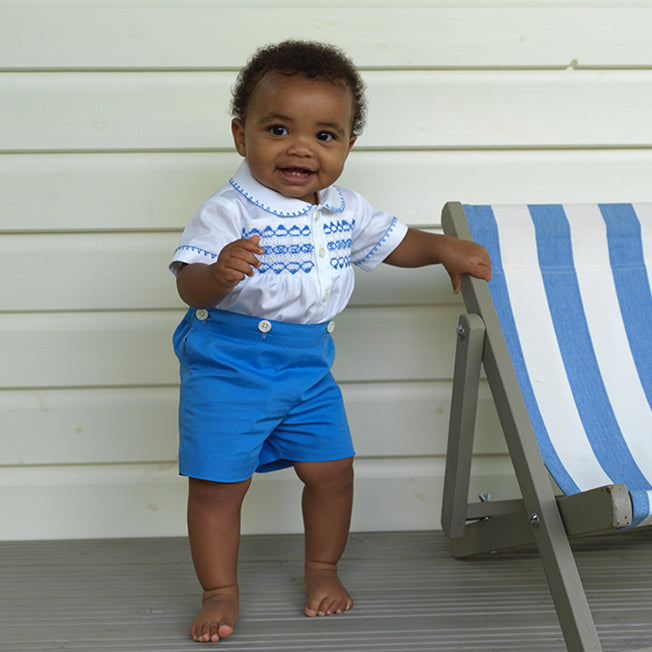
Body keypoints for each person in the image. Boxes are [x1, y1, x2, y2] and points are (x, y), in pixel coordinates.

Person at [169, 40, 491, 644]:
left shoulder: (344, 208)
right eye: (279, 128)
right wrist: (216, 275)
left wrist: (441, 249)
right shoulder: (228, 211)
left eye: (325, 135)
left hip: (308, 369)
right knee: (219, 484)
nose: (301, 147)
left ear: (346, 145)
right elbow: (190, 284)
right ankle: (219, 590)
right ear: (242, 136)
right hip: (230, 365)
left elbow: (393, 243)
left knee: (333, 471)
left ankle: (322, 570)